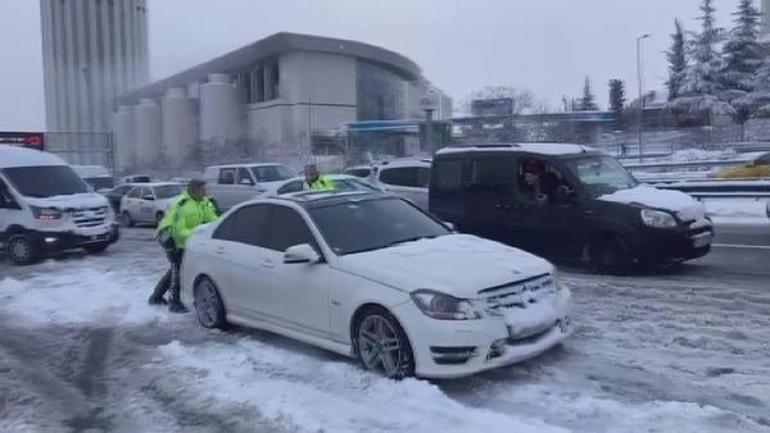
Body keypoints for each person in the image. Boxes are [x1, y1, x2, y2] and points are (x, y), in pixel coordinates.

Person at [148, 178, 218, 313]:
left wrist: (221, 225)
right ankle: (174, 303)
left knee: (176, 268)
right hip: (170, 238)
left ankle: (156, 297)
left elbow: (213, 218)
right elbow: (179, 231)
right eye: (203, 190)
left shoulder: (204, 202)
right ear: (195, 190)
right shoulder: (181, 204)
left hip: (187, 239)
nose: (205, 192)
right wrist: (199, 233)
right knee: (178, 271)